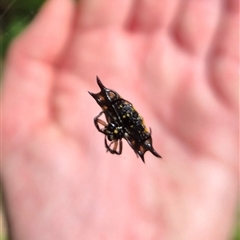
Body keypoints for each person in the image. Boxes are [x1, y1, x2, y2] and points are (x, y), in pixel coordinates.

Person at [2, 0, 239, 239]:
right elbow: (105, 124)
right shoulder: (119, 126)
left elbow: (106, 125)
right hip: (128, 119)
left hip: (127, 119)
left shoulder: (118, 126)